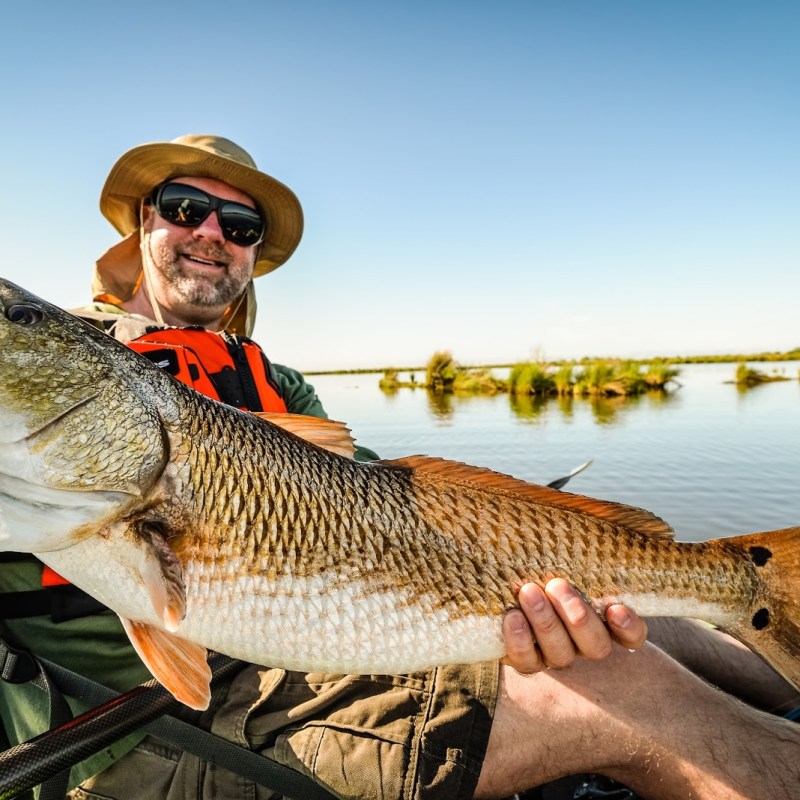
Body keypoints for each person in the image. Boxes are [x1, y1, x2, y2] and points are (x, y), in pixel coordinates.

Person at [0, 135, 798, 800]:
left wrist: (545, 562)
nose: (211, 231)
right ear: (144, 223)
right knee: (619, 691)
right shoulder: (61, 365)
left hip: (304, 659)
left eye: (239, 224)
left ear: (251, 253)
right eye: (184, 209)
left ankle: (772, 618)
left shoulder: (275, 384)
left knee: (650, 624)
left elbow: (397, 507)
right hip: (135, 743)